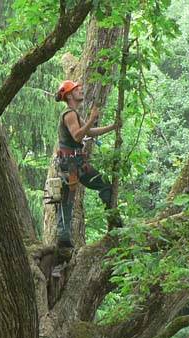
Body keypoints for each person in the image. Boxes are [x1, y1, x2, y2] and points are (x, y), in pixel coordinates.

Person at [53, 79, 121, 247]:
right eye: (77, 89)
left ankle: (114, 221)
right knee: (67, 201)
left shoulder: (74, 114)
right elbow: (78, 135)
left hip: (76, 163)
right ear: (69, 95)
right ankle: (64, 241)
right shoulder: (69, 114)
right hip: (70, 165)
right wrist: (91, 118)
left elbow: (89, 131)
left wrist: (113, 127)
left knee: (103, 184)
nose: (80, 91)